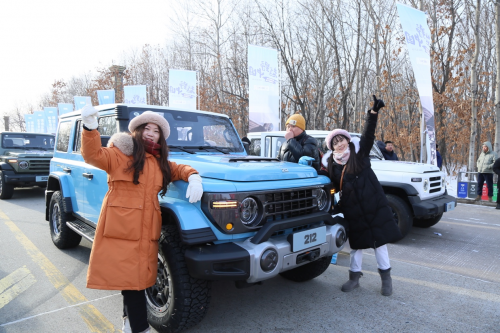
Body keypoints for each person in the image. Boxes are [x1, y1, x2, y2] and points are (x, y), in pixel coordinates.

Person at [80, 106, 203, 333]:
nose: (151, 133)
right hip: (121, 231)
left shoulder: (159, 162)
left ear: (160, 137)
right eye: (147, 128)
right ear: (137, 130)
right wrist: (90, 128)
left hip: (146, 231)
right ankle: (139, 328)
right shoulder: (120, 155)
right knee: (133, 284)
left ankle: (129, 323)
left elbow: (178, 169)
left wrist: (193, 176)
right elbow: (92, 155)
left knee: (135, 282)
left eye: (156, 131)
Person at [324, 95, 402, 296]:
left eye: (341, 140)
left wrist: (373, 113)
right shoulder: (332, 165)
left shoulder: (360, 153)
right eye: (335, 143)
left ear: (348, 140)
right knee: (356, 246)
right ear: (331, 147)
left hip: (374, 205)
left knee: (379, 243)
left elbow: (368, 134)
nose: (339, 144)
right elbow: (332, 186)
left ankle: (386, 279)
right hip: (353, 210)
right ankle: (354, 278)